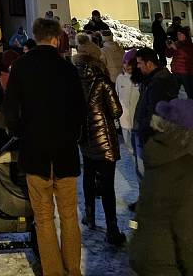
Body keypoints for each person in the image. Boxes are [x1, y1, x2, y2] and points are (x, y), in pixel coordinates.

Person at [4, 17, 86, 276]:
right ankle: (73, 270)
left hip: (35, 151)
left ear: (36, 36)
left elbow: (10, 110)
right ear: (56, 38)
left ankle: (53, 272)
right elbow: (80, 110)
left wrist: (19, 132)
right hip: (65, 152)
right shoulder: (68, 69)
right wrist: (73, 134)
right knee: (70, 216)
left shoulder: (21, 67)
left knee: (43, 218)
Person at [129, 98, 193, 276]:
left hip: (143, 254)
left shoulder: (162, 156)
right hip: (166, 265)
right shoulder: (185, 170)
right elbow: (187, 235)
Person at [74, 53, 126, 245]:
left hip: (85, 138)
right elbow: (116, 111)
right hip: (103, 139)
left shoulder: (76, 83)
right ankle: (112, 228)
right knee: (107, 185)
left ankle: (89, 215)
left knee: (88, 177)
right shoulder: (102, 82)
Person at [133, 47, 179, 180]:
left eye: (140, 63)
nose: (138, 67)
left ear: (149, 64)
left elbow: (156, 114)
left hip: (151, 138)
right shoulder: (152, 80)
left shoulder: (158, 84)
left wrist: (145, 133)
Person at [115, 49, 140, 161]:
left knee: (138, 145)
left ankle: (139, 162)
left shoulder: (140, 80)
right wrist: (116, 118)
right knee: (128, 144)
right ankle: (133, 159)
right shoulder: (120, 78)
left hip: (137, 119)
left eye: (130, 63)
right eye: (125, 63)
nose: (126, 66)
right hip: (124, 119)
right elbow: (116, 97)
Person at [167, 26, 193, 98]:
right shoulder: (177, 43)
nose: (179, 36)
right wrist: (169, 48)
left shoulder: (189, 44)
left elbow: (187, 55)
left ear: (185, 35)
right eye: (178, 34)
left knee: (190, 92)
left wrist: (176, 49)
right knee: (173, 93)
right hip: (176, 71)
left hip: (186, 72)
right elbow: (168, 55)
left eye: (181, 34)